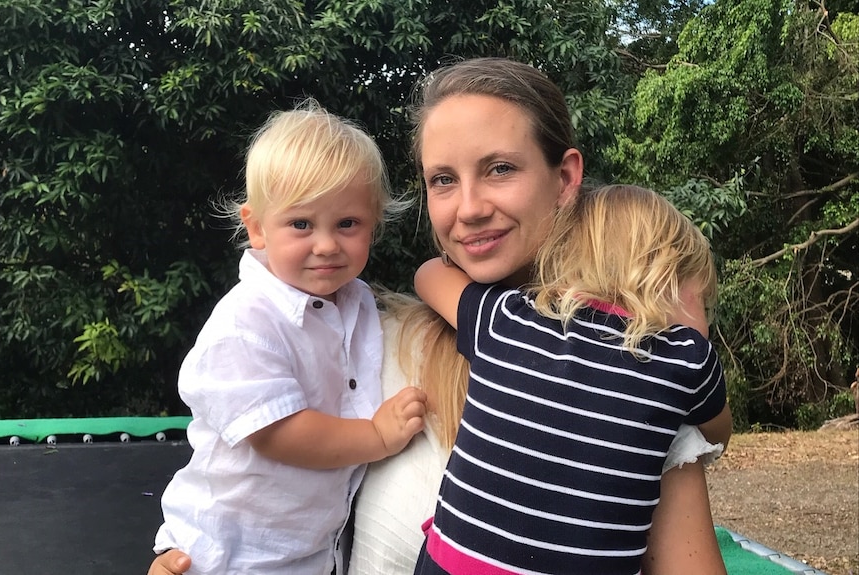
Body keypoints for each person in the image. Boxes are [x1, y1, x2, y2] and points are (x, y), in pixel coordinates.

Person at [148, 57, 730, 575]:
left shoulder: (636, 389)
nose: (470, 209)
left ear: (565, 177)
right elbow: (250, 471)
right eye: (443, 180)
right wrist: (189, 552)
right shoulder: (372, 334)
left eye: (500, 168)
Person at [151, 100, 427, 575]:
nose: (326, 244)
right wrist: (377, 435)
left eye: (348, 224)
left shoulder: (356, 302)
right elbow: (278, 434)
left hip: (312, 549)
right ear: (257, 227)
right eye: (301, 224)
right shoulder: (247, 321)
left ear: (373, 225)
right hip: (232, 553)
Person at [411, 183, 731, 574]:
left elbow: (429, 274)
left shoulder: (506, 318)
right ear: (667, 281)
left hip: (449, 566)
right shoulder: (684, 356)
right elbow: (715, 431)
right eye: (705, 302)